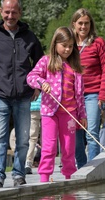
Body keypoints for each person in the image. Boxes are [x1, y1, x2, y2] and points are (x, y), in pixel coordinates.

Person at [0, 0, 44, 189]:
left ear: (20, 13)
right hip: (0, 97)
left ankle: (19, 175)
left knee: (22, 139)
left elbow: (41, 64)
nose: (10, 16)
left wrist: (37, 85)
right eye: (6, 12)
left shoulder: (29, 37)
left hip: (24, 96)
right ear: (0, 12)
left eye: (14, 12)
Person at [27, 26, 87, 182]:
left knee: (68, 148)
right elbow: (31, 77)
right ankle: (44, 178)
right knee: (49, 147)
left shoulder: (75, 67)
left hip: (70, 114)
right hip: (49, 112)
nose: (67, 49)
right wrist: (41, 82)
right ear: (55, 44)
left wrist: (82, 116)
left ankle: (69, 177)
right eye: (64, 45)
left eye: (70, 46)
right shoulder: (46, 61)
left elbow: (79, 95)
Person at [71, 8, 105, 168]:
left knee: (92, 133)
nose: (83, 26)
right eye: (80, 23)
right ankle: (82, 167)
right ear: (74, 24)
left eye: (86, 23)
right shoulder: (69, 44)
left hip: (93, 94)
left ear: (91, 24)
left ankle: (93, 168)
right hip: (73, 96)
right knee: (76, 133)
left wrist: (103, 94)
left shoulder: (98, 42)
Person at [25, 91, 41, 174]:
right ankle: (46, 163)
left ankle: (28, 162)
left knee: (32, 138)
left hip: (33, 107)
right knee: (47, 137)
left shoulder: (31, 78)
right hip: (46, 107)